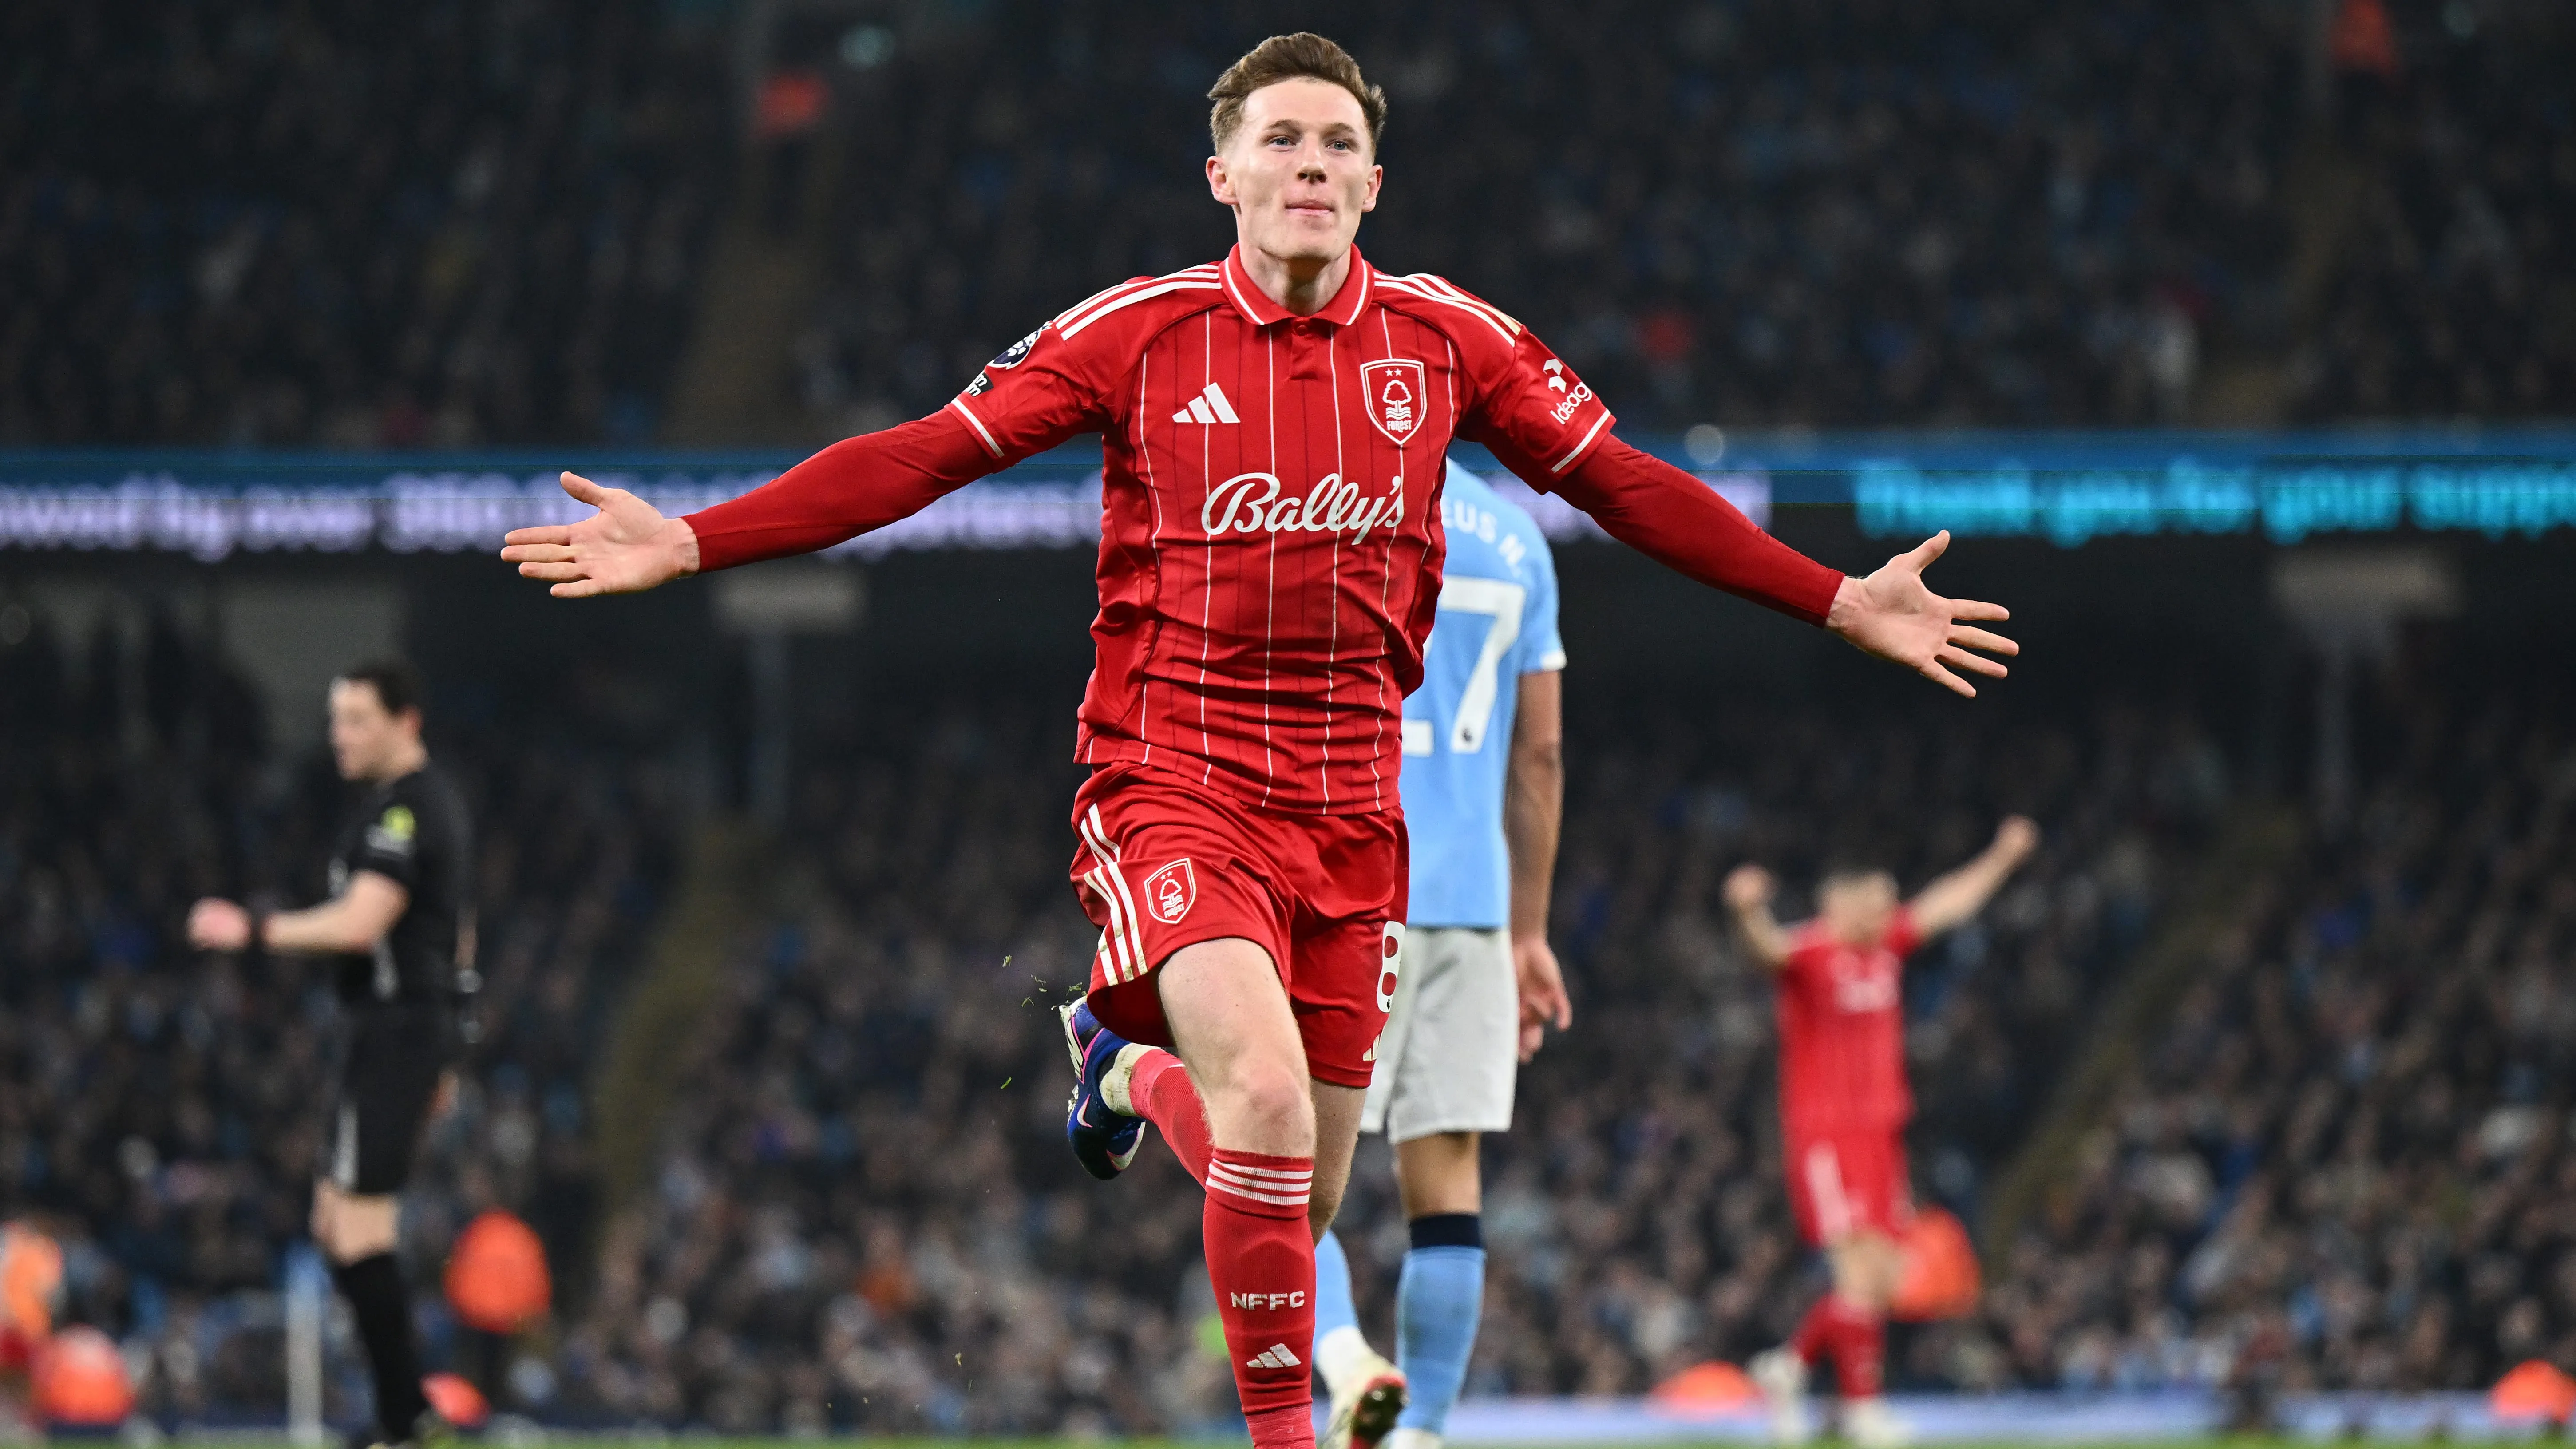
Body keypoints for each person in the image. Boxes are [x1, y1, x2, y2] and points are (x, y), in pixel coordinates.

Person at [499, 34, 2016, 1448]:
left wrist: (1833, 600)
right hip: (1170, 786)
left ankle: (1115, 1061)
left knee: (1301, 1189)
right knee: (1273, 1108)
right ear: (1221, 175)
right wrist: (695, 541)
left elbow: (1626, 480)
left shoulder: (1448, 345)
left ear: (1372, 181)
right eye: (1278, 138)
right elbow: (919, 457)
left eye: (1337, 141)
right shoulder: (1138, 337)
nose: (1308, 161)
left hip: (1357, 823)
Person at [1306, 463, 1571, 1449]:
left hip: (1339, 889)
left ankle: (1341, 1367)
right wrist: (1529, 931)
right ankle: (1423, 1430)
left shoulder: (1317, 501)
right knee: (1448, 1180)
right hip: (1470, 903)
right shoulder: (1517, 540)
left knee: (1284, 1171)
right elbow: (1538, 757)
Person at [188, 661, 474, 1449]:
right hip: (394, 1033)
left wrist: (253, 929)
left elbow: (360, 924)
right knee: (337, 1222)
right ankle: (400, 1414)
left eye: (356, 719)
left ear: (404, 721)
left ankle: (404, 1420)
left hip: (395, 1032)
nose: (339, 735)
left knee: (356, 1229)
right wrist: (456, 1042)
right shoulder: (400, 808)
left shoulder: (408, 812)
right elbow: (459, 931)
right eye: (335, 719)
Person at [1722, 818, 2040, 1448]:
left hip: (1879, 1134)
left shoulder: (1885, 946)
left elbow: (1945, 904)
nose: (1887, 910)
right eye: (1874, 900)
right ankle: (1860, 1408)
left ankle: (1789, 1367)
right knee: (1855, 1274)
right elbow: (1765, 950)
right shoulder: (1812, 954)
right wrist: (1746, 912)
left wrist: (2001, 858)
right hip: (1826, 1135)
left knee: (1887, 1275)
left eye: (1889, 900)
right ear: (1837, 904)